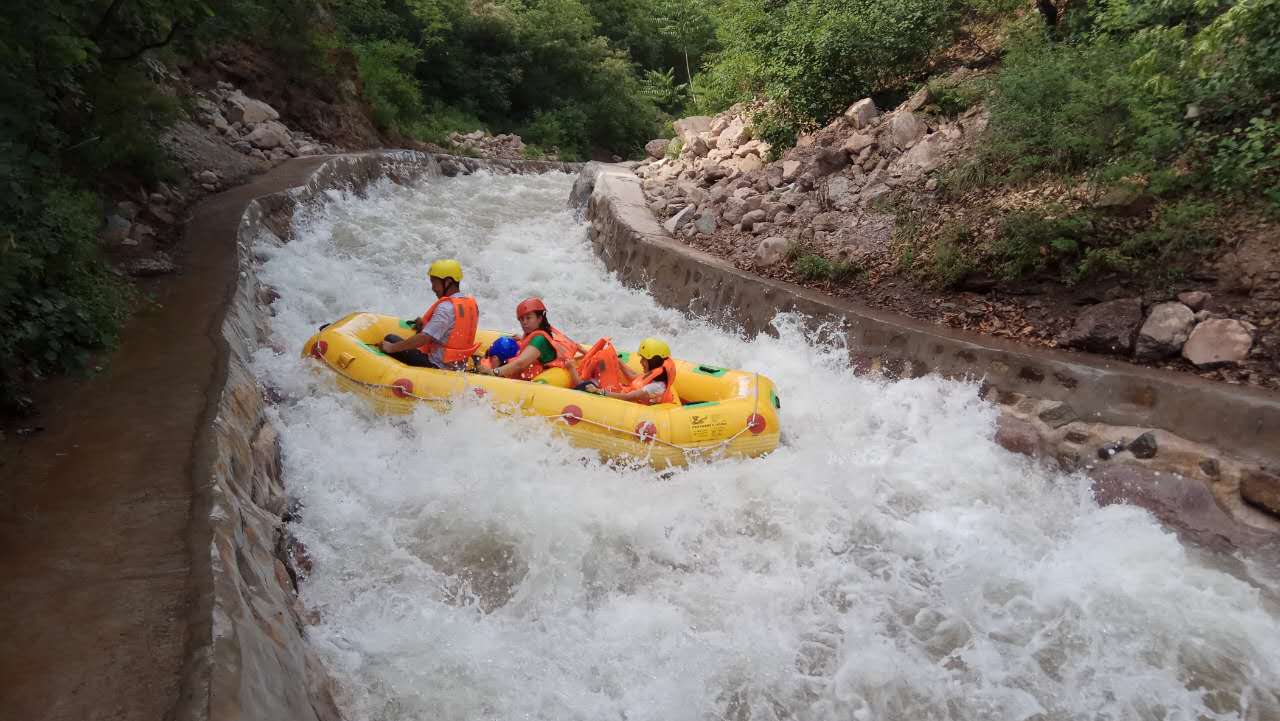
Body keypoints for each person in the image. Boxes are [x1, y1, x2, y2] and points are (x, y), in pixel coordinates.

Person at [380, 259, 479, 369]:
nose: (433, 288)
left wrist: (392, 347)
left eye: (434, 283)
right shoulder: (471, 305)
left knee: (391, 339)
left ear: (448, 282)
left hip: (436, 366)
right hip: (458, 366)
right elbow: (450, 331)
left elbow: (424, 338)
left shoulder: (446, 308)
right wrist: (424, 326)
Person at [477, 297, 580, 382]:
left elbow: (520, 364)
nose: (524, 322)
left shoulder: (539, 340)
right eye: (522, 319)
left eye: (528, 318)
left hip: (549, 377)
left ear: (539, 318)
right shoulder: (542, 332)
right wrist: (522, 339)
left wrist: (494, 372)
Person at [580, 337, 679, 405]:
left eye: (644, 359)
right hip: (622, 390)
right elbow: (633, 376)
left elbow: (627, 397)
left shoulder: (654, 387)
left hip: (624, 399)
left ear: (654, 361)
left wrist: (599, 391)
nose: (641, 362)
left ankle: (578, 373)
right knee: (605, 359)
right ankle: (584, 352)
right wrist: (617, 361)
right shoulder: (655, 379)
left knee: (588, 382)